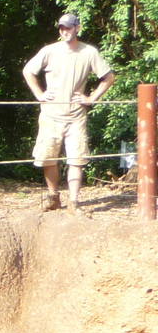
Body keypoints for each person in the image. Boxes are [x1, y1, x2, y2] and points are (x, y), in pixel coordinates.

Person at [22, 12, 116, 212]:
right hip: (50, 115)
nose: (64, 31)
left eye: (68, 27)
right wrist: (39, 93)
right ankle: (53, 197)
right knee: (48, 157)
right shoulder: (49, 51)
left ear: (77, 28)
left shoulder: (89, 52)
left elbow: (108, 77)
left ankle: (73, 203)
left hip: (76, 116)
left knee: (76, 159)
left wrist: (91, 99)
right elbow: (28, 71)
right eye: (61, 28)